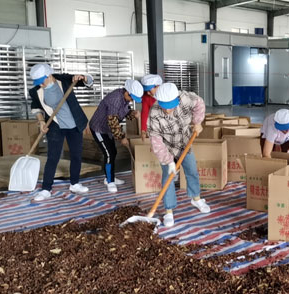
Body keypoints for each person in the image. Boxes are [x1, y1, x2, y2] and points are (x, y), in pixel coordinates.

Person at [147, 83, 211, 227]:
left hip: (185, 143)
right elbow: (156, 142)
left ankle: (196, 198)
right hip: (166, 147)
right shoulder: (154, 114)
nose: (168, 109)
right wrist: (169, 162)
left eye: (171, 105)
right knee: (168, 178)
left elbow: (199, 103)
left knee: (192, 171)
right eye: (165, 106)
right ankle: (168, 211)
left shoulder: (185, 98)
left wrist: (197, 122)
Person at [29, 63, 93, 202]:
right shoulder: (35, 91)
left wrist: (82, 77)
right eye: (38, 82)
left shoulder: (64, 80)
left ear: (49, 75)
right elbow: (36, 108)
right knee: (53, 157)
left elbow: (88, 82)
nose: (41, 85)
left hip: (74, 123)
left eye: (42, 81)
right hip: (55, 125)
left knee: (76, 154)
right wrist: (41, 122)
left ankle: (74, 183)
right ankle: (46, 189)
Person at [89, 79, 143, 193]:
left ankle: (109, 177)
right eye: (132, 97)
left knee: (113, 152)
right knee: (108, 153)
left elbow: (123, 112)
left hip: (107, 130)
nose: (132, 100)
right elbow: (113, 121)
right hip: (99, 129)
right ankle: (110, 182)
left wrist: (132, 113)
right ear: (127, 92)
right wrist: (121, 137)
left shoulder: (124, 98)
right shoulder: (115, 99)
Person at [140, 74, 163, 140]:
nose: (148, 93)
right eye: (146, 90)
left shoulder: (166, 94)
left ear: (157, 86)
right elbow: (145, 113)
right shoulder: (146, 97)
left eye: (149, 90)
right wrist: (143, 130)